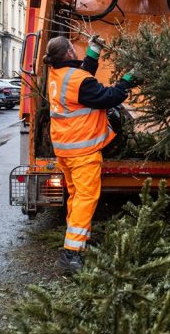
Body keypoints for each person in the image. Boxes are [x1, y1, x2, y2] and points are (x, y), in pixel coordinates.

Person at [43, 35, 136, 272]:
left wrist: (94, 52)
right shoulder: (77, 81)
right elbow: (108, 97)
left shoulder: (56, 74)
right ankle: (70, 254)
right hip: (82, 151)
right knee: (85, 199)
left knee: (75, 197)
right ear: (70, 53)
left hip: (65, 149)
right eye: (75, 49)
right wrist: (127, 81)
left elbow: (82, 76)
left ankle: (77, 242)